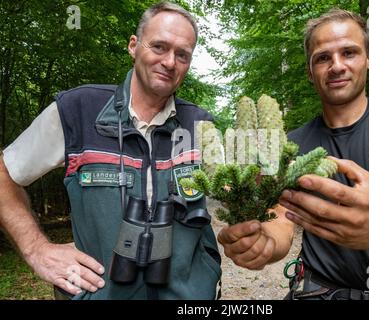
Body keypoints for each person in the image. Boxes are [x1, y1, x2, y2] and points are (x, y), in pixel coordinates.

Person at [218, 8, 369, 300]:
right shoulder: (291, 146)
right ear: (309, 71)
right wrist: (262, 244)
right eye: (323, 57)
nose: (337, 66)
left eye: (349, 53)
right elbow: (280, 220)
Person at [0, 2, 221, 300]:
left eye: (182, 54)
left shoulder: (200, 125)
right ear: (133, 46)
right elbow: (5, 173)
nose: (170, 62)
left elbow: (241, 195)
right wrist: (36, 249)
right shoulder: (77, 110)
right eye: (159, 46)